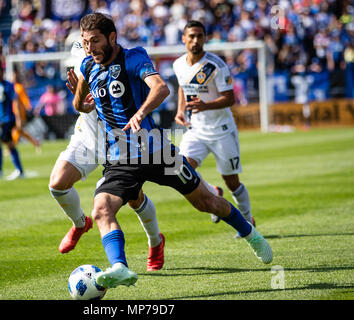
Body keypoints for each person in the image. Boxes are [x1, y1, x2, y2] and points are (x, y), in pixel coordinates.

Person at [72, 13, 272, 289]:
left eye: (95, 41)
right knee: (102, 210)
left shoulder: (134, 58)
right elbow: (79, 104)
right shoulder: (87, 66)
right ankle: (120, 267)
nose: (89, 48)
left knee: (206, 202)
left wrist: (141, 113)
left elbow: (161, 88)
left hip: (157, 152)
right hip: (120, 159)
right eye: (85, 42)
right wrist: (83, 104)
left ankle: (252, 235)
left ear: (113, 38)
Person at [50, 41, 165, 272]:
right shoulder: (85, 71)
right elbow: (81, 105)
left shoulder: (118, 64)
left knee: (135, 199)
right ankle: (80, 224)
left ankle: (155, 242)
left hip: (118, 141)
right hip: (87, 138)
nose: (73, 72)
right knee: (57, 184)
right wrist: (82, 103)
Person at [173, 21, 255, 234]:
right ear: (184, 38)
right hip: (196, 129)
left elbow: (230, 98)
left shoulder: (216, 65)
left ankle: (247, 220)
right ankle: (211, 191)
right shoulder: (178, 64)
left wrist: (205, 105)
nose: (195, 40)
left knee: (233, 182)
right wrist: (180, 110)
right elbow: (183, 88)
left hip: (221, 130)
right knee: (181, 169)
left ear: (205, 38)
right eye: (191, 36)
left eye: (199, 36)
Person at [11, 72, 41, 153]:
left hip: (20, 112)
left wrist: (28, 106)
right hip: (12, 112)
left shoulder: (19, 87)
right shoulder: (12, 87)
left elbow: (25, 98)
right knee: (18, 130)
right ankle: (35, 142)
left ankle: (12, 147)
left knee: (17, 129)